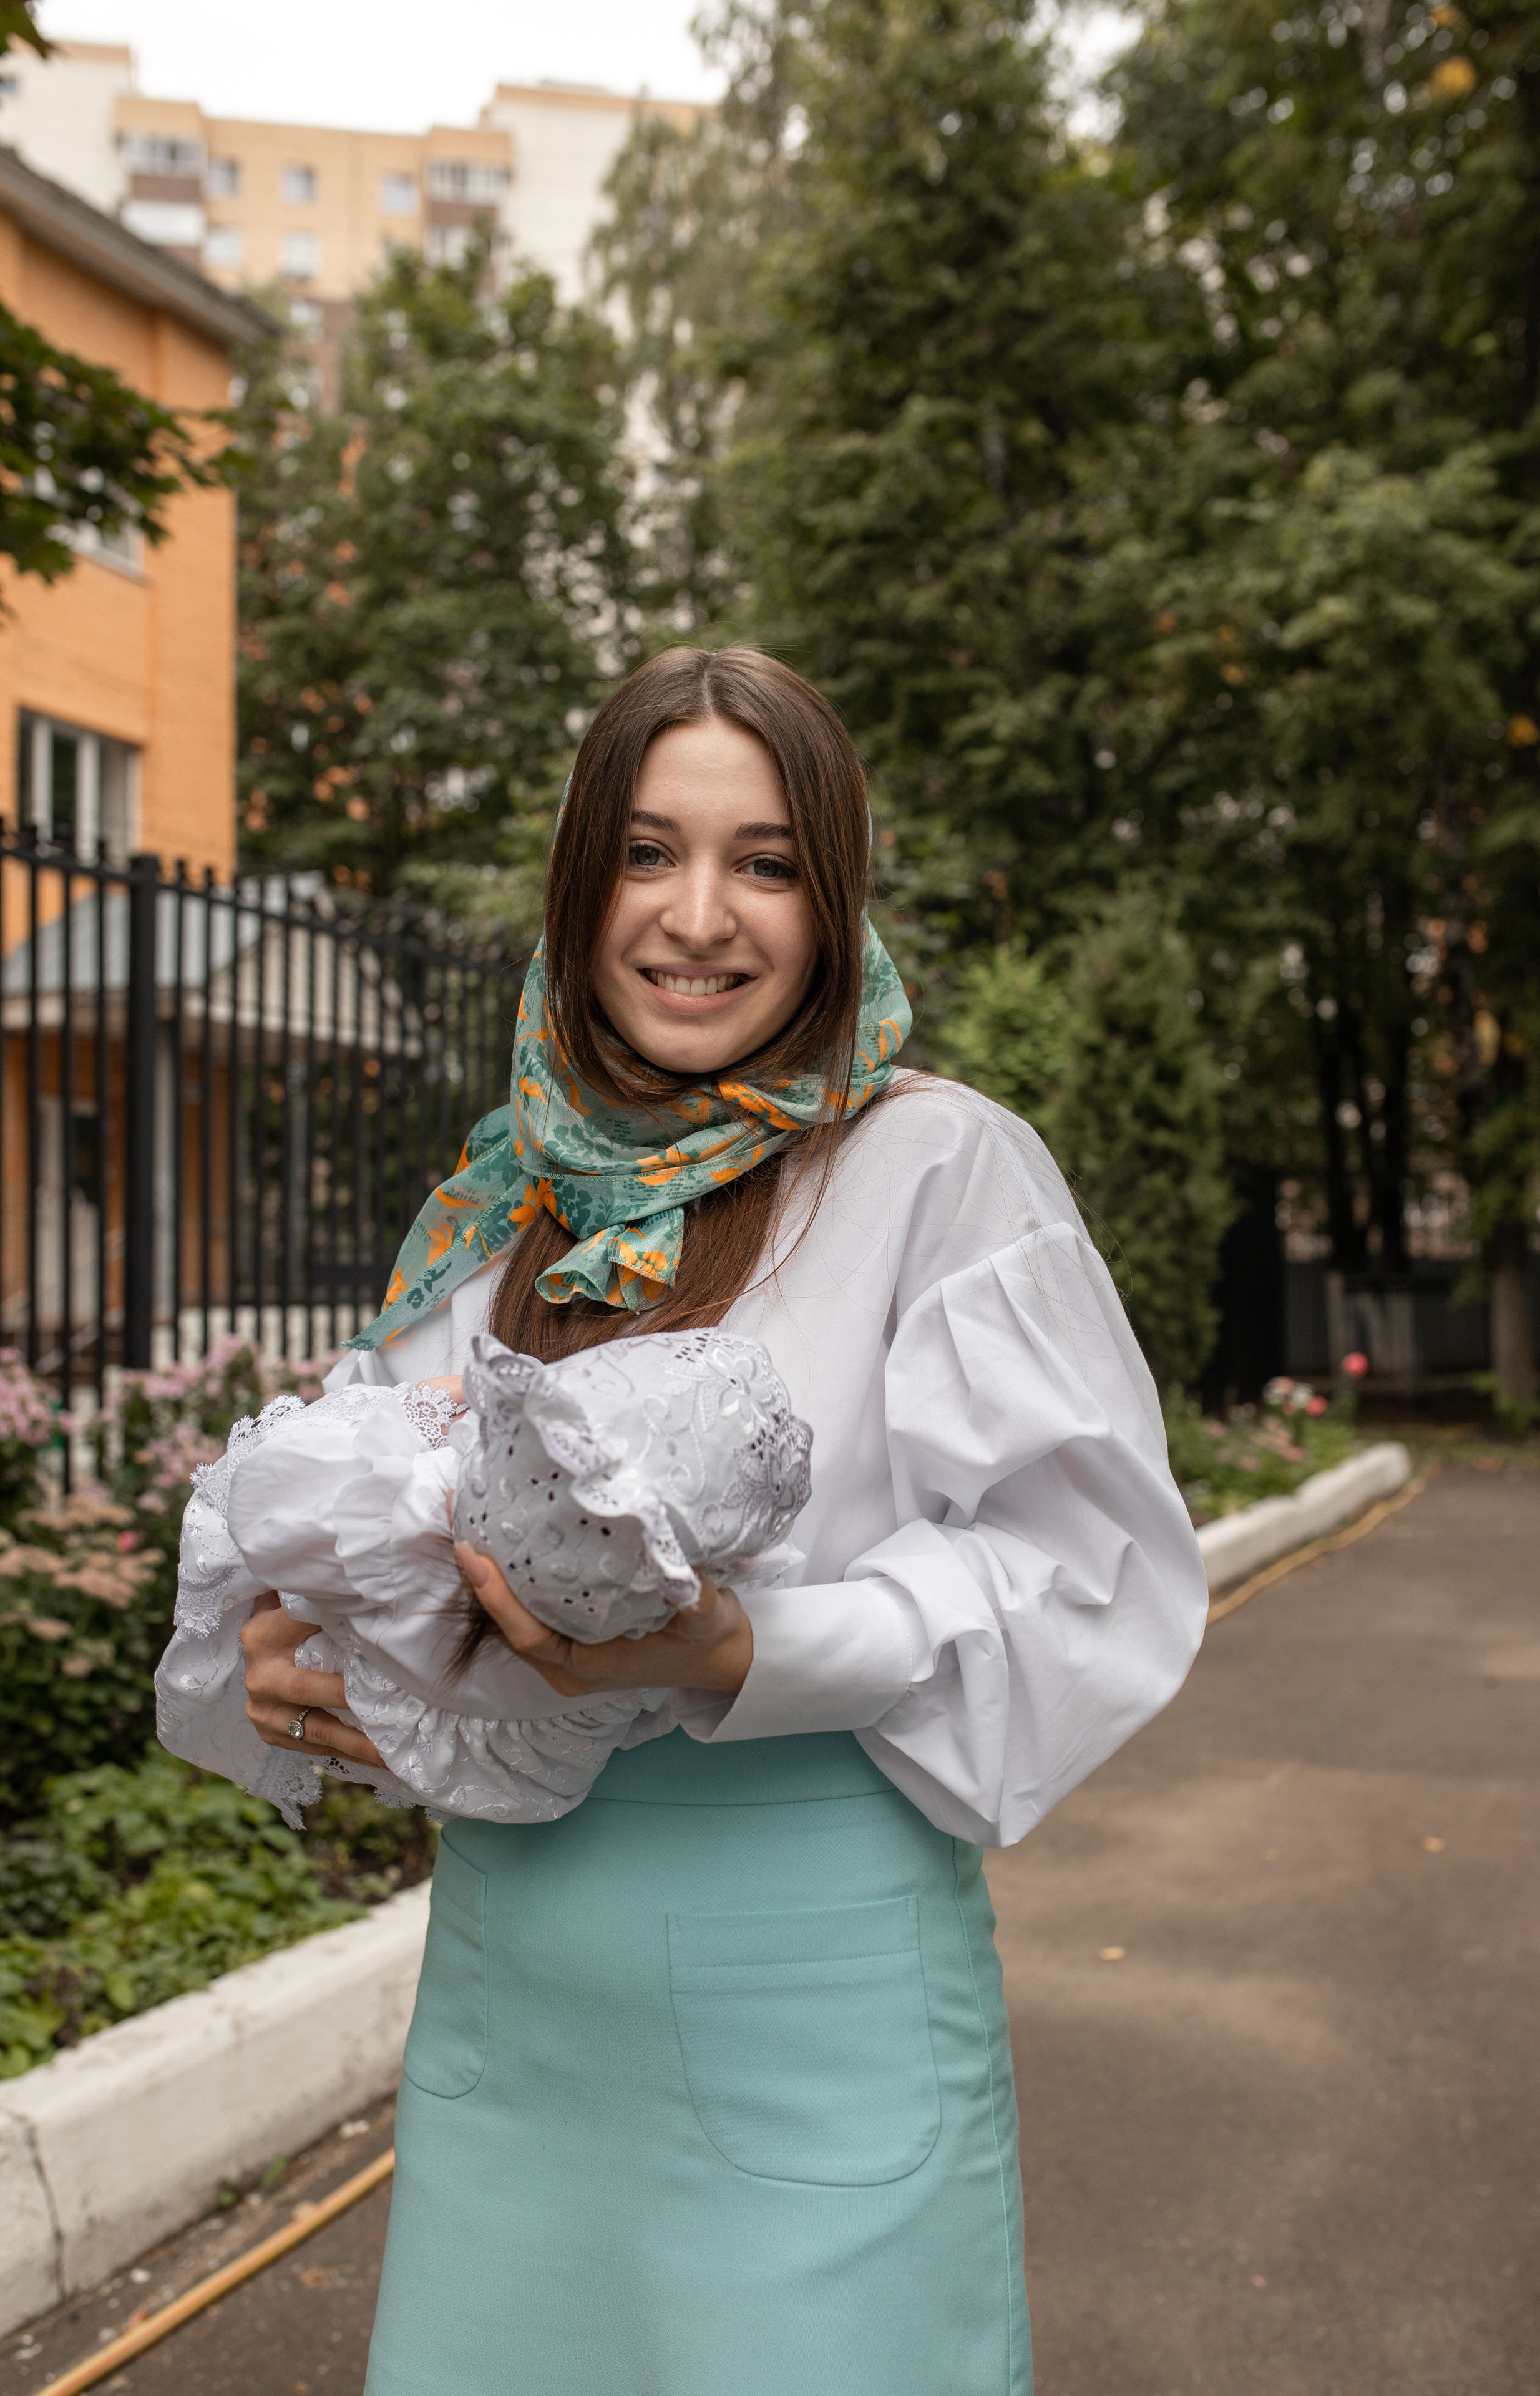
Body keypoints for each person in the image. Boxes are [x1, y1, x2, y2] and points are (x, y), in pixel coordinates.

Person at [236, 646, 1207, 2396]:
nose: (700, 917)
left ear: (832, 902)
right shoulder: (500, 1197)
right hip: (511, 2004)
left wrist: (753, 1648)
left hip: (812, 2013)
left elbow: (1083, 1574)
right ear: (578, 881)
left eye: (764, 862)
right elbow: (411, 1526)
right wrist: (318, 1653)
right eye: (646, 852)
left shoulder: (940, 1166)